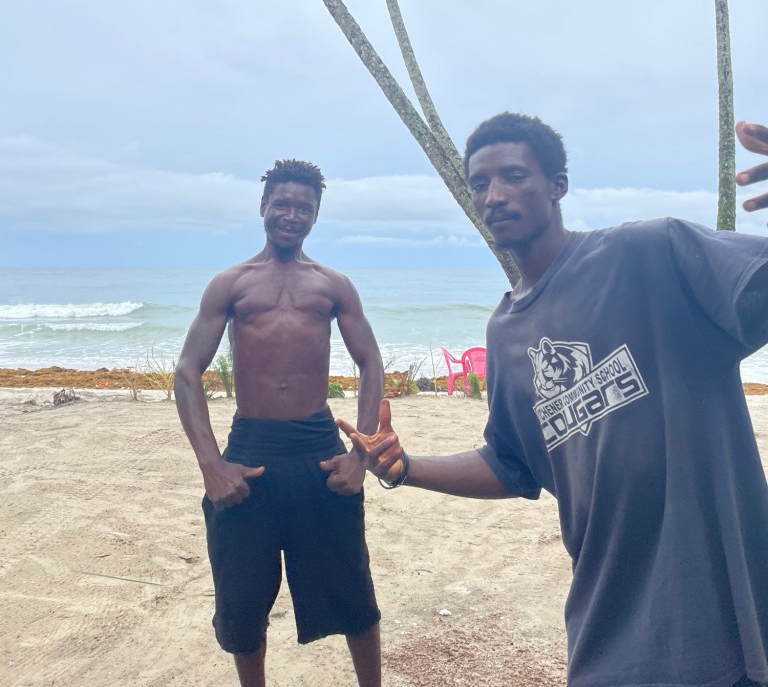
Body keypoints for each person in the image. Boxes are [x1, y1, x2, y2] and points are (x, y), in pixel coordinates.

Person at [340, 117, 768, 687]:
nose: (494, 195)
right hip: (608, 624)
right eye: (480, 184)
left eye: (514, 176)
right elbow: (510, 463)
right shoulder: (506, 333)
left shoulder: (650, 253)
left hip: (721, 618)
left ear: (557, 184)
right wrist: (405, 468)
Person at [174, 159, 384, 687]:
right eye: (282, 204)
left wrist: (360, 455)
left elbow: (371, 363)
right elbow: (187, 371)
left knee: (353, 592)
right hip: (252, 448)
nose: (291, 215)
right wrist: (211, 466)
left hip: (319, 448)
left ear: (316, 215)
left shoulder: (333, 285)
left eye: (303, 208)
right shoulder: (231, 284)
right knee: (242, 602)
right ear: (263, 207)